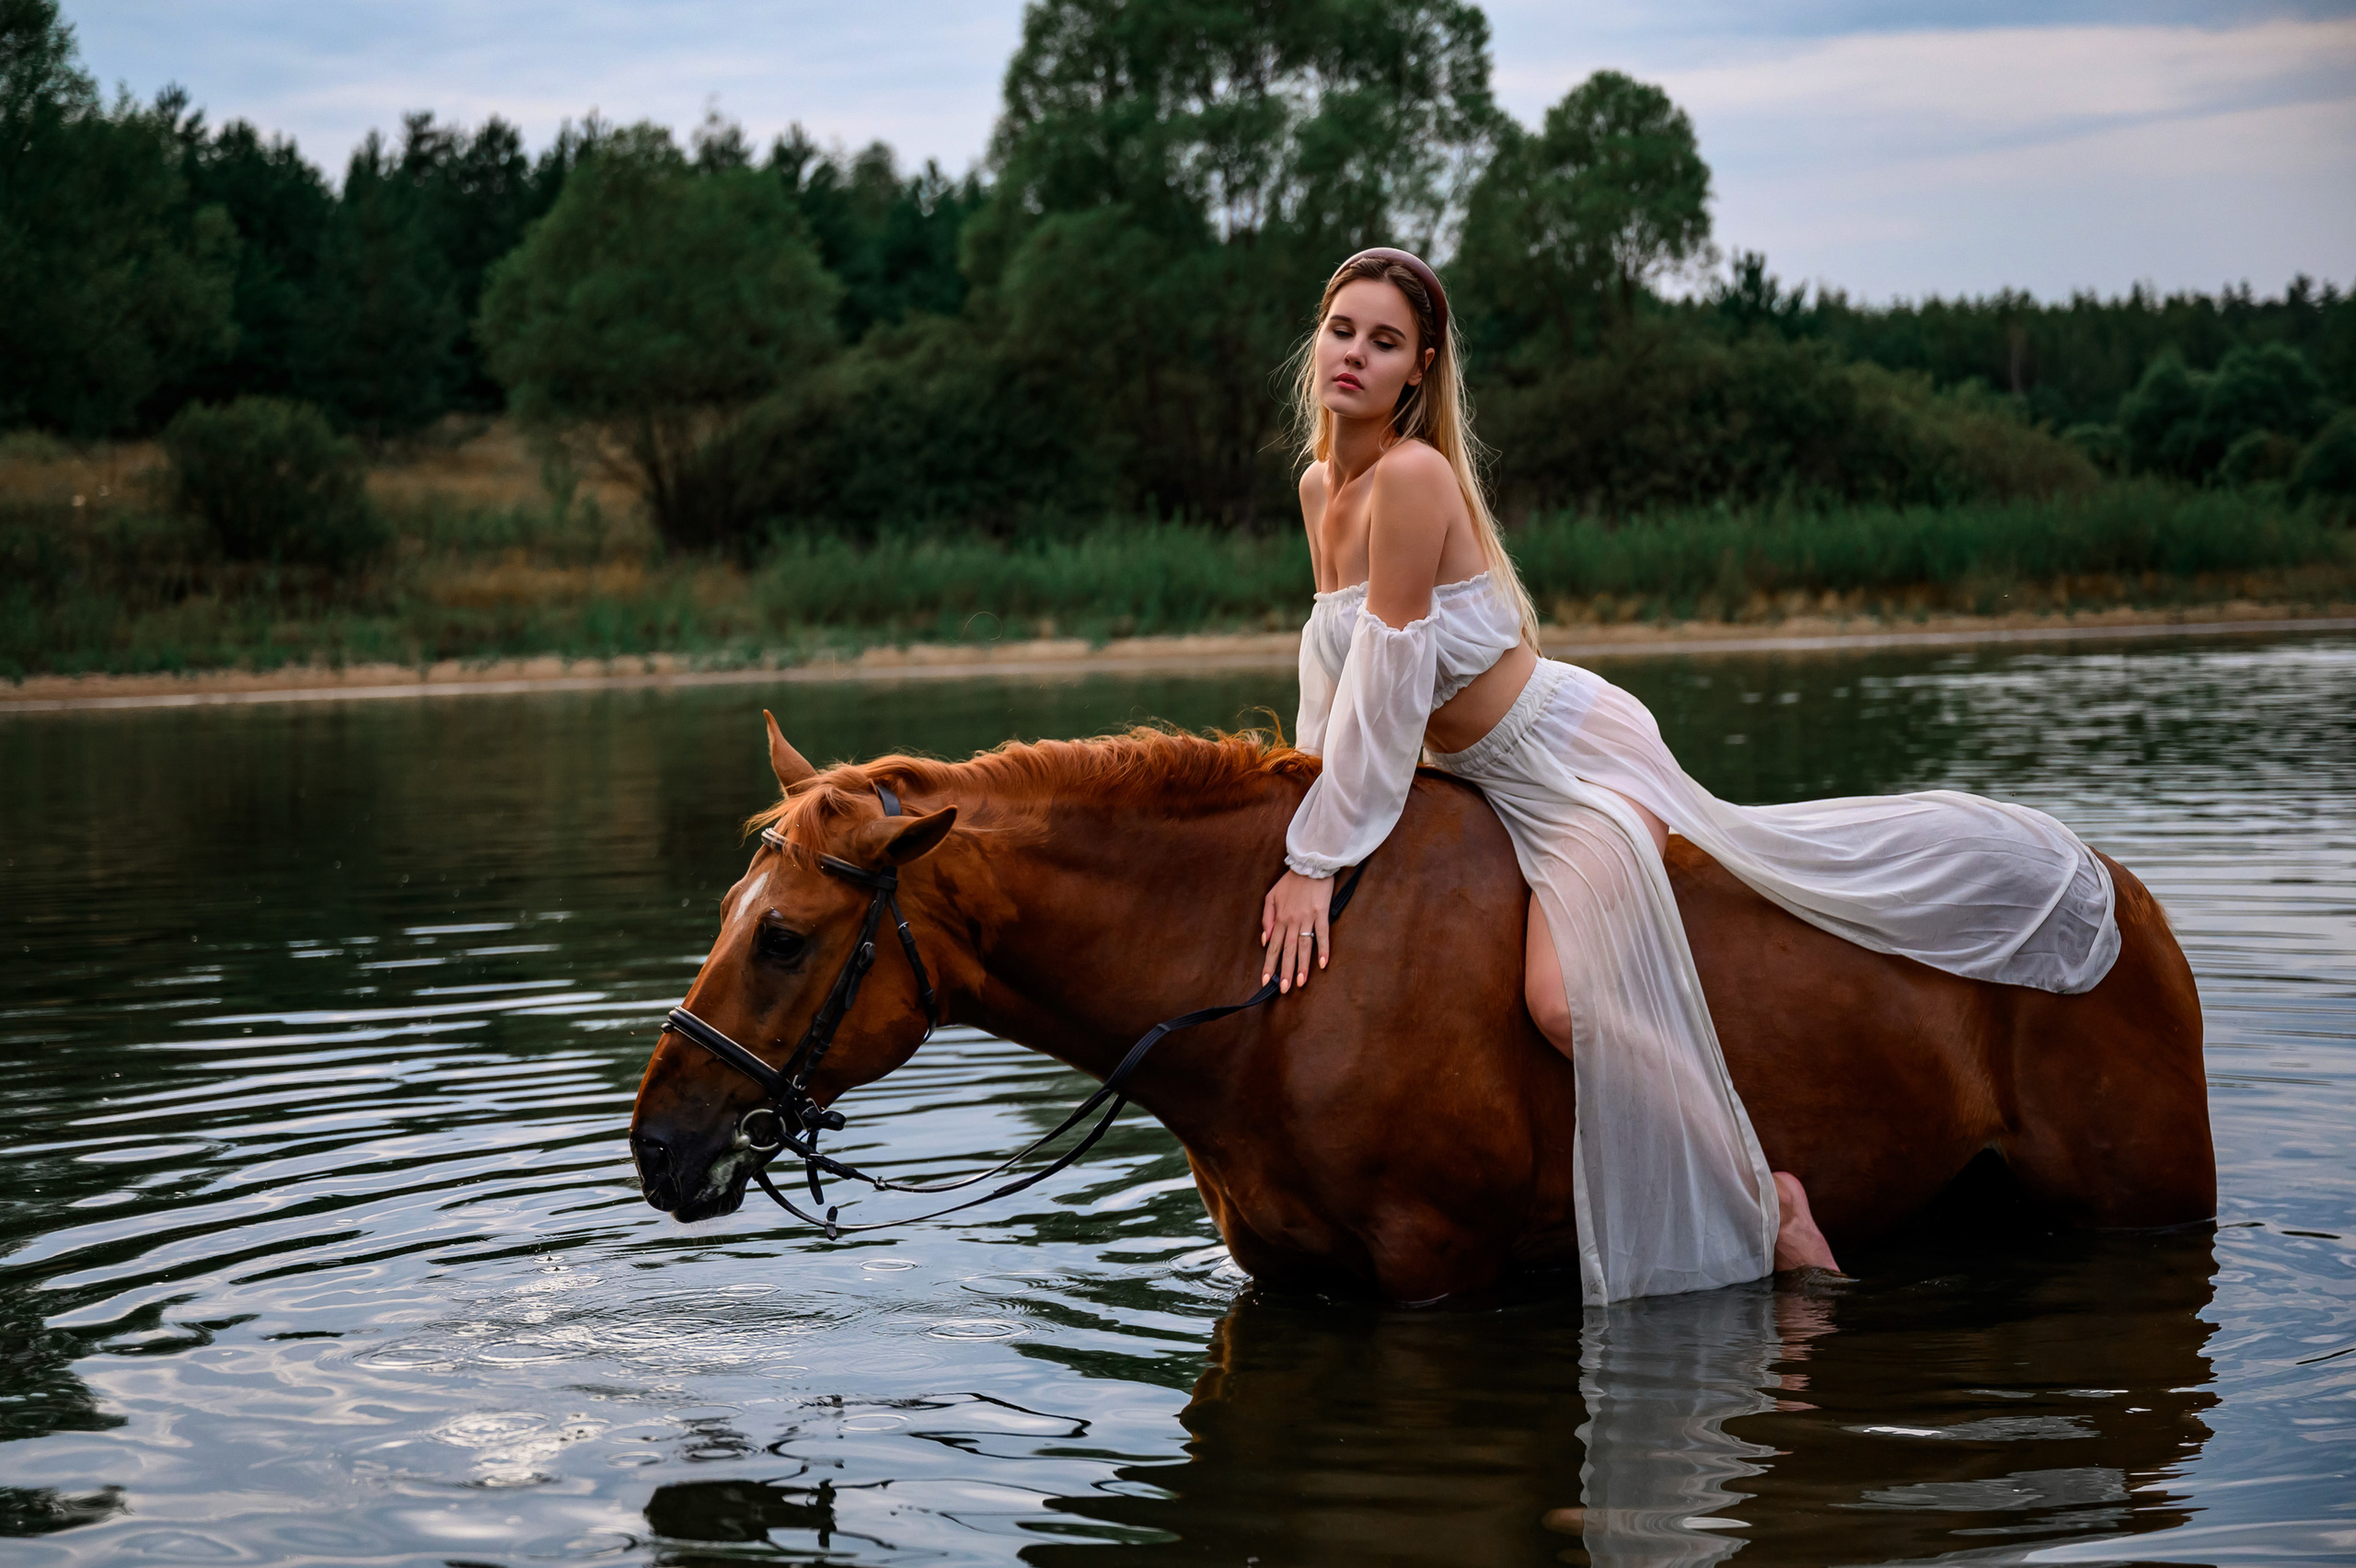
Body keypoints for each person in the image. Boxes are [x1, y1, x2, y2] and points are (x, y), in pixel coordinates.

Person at [1258, 248, 2121, 1305]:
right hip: (1476, 777)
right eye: (1342, 329)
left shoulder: (1411, 476)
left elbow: (1390, 688)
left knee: (1562, 1006)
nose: (1354, 354)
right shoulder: (1320, 485)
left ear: (1419, 369)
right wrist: (1299, 808)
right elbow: (1336, 680)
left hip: (1570, 764)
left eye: (1385, 341)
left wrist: (1317, 858)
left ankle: (1769, 1197)